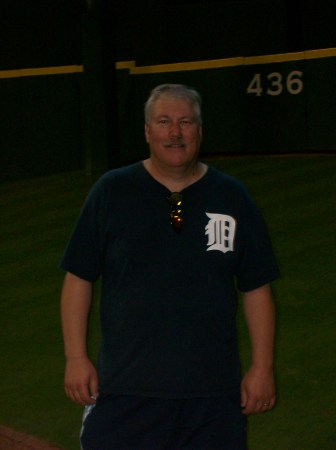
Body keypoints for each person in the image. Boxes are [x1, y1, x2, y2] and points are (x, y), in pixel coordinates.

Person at [60, 83, 279, 449]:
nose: (175, 133)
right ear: (147, 132)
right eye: (164, 122)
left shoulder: (232, 196)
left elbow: (256, 287)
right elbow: (78, 278)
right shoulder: (112, 191)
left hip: (212, 396)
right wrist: (76, 357)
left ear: (200, 131)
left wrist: (262, 368)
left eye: (185, 122)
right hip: (126, 390)